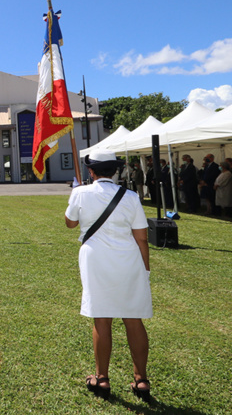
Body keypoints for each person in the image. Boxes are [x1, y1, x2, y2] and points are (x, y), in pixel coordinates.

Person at [64, 150, 152, 402]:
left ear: (91, 171)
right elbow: (141, 237)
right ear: (115, 171)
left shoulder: (81, 192)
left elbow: (70, 223)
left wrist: (76, 196)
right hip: (129, 259)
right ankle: (141, 379)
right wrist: (145, 269)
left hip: (96, 258)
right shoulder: (131, 196)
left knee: (101, 318)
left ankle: (102, 377)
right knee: (133, 319)